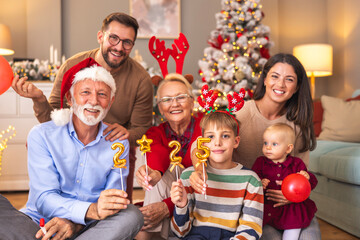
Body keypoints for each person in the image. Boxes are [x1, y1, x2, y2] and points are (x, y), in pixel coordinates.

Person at [11, 12, 153, 202]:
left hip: (112, 148)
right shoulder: (73, 65)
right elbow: (51, 120)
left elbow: (143, 129)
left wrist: (128, 134)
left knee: (119, 207)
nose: (119, 47)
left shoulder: (141, 79)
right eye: (113, 38)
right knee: (55, 200)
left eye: (127, 42)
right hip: (71, 144)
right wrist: (39, 99)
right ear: (100, 37)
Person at [190, 53, 321, 239]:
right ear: (265, 79)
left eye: (289, 79)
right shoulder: (241, 112)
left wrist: (294, 195)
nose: (281, 84)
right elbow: (199, 144)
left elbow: (302, 172)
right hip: (253, 204)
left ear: (297, 87)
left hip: (292, 207)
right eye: (275, 76)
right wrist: (198, 169)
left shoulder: (298, 124)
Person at [20, 59, 143, 240]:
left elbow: (112, 200)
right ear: (70, 98)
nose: (94, 101)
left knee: (132, 215)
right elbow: (44, 198)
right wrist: (89, 210)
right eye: (85, 92)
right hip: (40, 221)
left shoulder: (118, 143)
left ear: (111, 101)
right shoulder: (41, 135)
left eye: (102, 94)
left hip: (90, 225)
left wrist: (75, 223)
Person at [170, 111, 263, 239]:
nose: (217, 143)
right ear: (202, 143)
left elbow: (251, 227)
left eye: (225, 136)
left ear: (236, 141)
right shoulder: (189, 176)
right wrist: (181, 206)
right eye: (211, 137)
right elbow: (179, 232)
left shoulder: (251, 180)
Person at [135, 73, 202, 240]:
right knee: (155, 178)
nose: (174, 104)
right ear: (159, 106)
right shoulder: (155, 133)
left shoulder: (206, 125)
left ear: (192, 101)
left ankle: (150, 235)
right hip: (173, 197)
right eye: (166, 99)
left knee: (181, 171)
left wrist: (167, 206)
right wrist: (153, 173)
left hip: (203, 196)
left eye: (181, 97)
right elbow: (157, 152)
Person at [252, 123, 317, 240]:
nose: (268, 147)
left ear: (288, 148)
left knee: (293, 229)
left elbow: (309, 184)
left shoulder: (296, 164)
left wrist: (306, 176)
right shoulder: (260, 162)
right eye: (265, 143)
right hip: (269, 210)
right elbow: (252, 180)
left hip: (292, 212)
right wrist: (259, 183)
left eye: (274, 144)